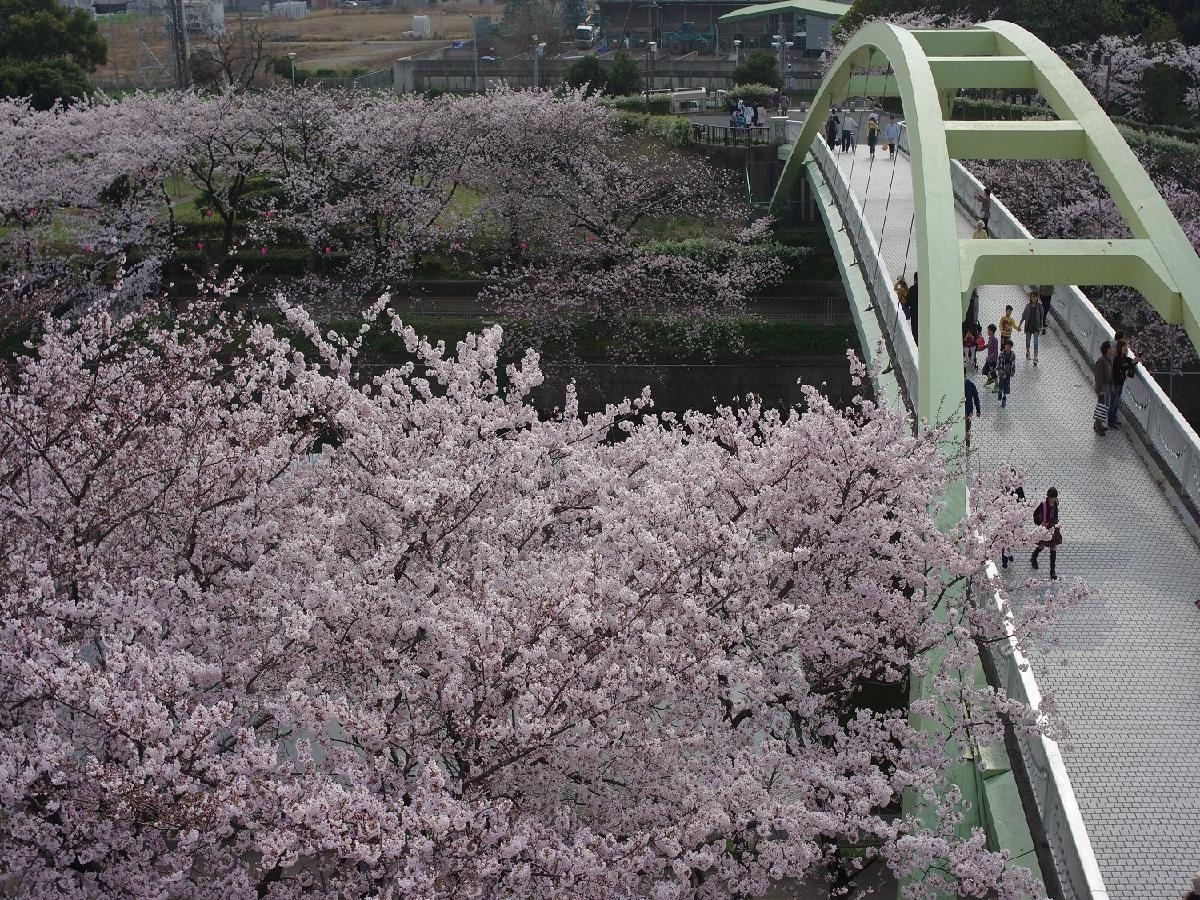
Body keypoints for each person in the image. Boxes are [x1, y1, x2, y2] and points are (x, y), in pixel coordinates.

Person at [1030, 487, 1061, 580]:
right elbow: (1035, 515)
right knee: (1041, 546)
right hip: (1044, 528)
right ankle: (1034, 557)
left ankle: (1052, 570)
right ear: (1048, 497)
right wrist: (1040, 524)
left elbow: (1056, 514)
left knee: (1053, 548)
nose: (1053, 500)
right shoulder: (1043, 504)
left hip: (1053, 527)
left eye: (1054, 498)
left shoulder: (1056, 502)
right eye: (1052, 498)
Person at [1109, 338, 1137, 429]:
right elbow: (1123, 368)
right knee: (1113, 402)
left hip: (1120, 383)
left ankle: (1113, 419)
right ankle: (1111, 421)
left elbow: (1130, 362)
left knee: (1116, 402)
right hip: (1116, 383)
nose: (1126, 350)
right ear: (1120, 348)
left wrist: (1137, 360)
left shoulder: (1124, 358)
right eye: (1125, 348)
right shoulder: (1117, 359)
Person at [1093, 339, 1114, 434]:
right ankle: (1098, 426)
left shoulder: (1109, 360)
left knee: (1105, 406)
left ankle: (1099, 424)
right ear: (1107, 349)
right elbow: (1098, 377)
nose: (1112, 349)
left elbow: (1111, 374)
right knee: (1101, 406)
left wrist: (1112, 385)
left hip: (1107, 387)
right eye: (1110, 348)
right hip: (1103, 388)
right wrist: (1100, 390)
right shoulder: (1101, 362)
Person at [1019, 290, 1044, 365]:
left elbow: (1042, 317)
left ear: (1037, 297)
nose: (1034, 298)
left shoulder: (1039, 306)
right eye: (1032, 296)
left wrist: (1041, 326)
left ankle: (1035, 358)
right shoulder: (1028, 306)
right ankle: (1028, 352)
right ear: (1030, 297)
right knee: (1028, 341)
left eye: (1035, 296)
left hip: (1036, 327)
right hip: (1029, 326)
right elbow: (1023, 316)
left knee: (1036, 342)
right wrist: (1019, 325)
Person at [997, 338, 1016, 408]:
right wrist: (1000, 371)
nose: (1008, 348)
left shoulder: (1013, 354)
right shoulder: (1001, 354)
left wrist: (1013, 372)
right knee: (1001, 384)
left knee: (1006, 385)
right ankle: (1000, 392)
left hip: (1008, 372)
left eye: (1009, 347)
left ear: (1011, 347)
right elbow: (999, 363)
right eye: (1007, 346)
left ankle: (1004, 398)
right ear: (1005, 346)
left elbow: (1013, 364)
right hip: (1002, 372)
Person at [964, 374, 980, 449]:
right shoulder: (956, 384)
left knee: (967, 429)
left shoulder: (970, 385)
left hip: (968, 411)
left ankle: (967, 446)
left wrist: (978, 410)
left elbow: (976, 397)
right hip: (960, 412)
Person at [907, 271, 919, 343]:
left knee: (915, 329)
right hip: (923, 313)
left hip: (914, 313)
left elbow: (907, 302)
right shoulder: (925, 289)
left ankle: (916, 343)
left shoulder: (912, 288)